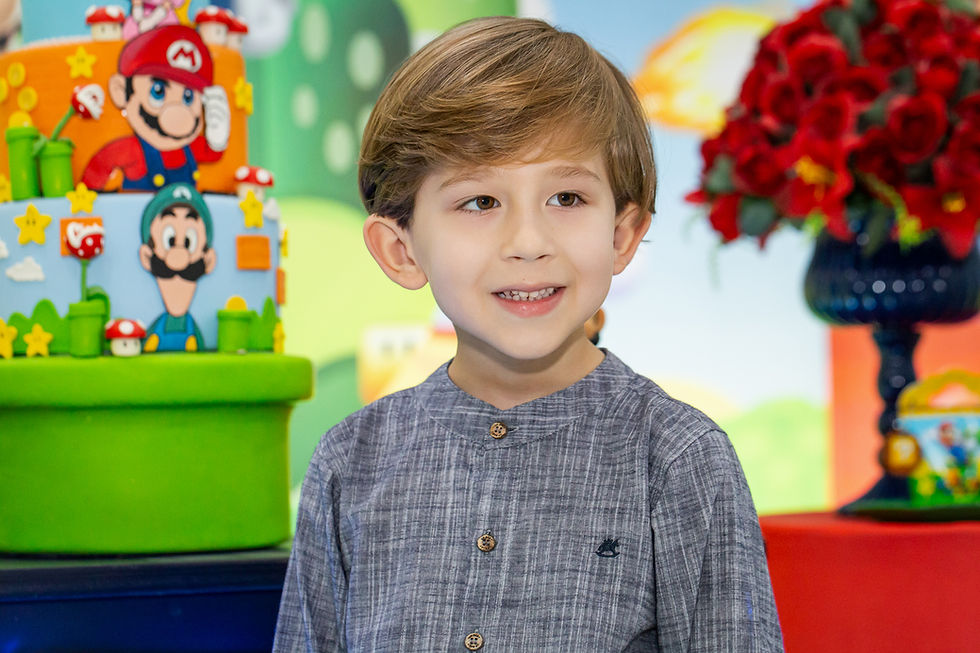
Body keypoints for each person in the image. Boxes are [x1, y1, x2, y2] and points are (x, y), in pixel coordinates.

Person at [274, 16, 783, 652]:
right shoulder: (350, 463)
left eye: (566, 198)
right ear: (401, 250)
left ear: (622, 235)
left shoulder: (679, 458)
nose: (528, 243)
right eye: (480, 202)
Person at [81, 24, 229, 192]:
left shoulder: (190, 148)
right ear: (120, 91)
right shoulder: (133, 150)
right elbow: (101, 164)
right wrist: (94, 198)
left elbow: (212, 154)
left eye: (188, 97)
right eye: (158, 92)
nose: (177, 112)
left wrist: (218, 134)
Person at [138, 182, 216, 352]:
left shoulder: (195, 332)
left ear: (208, 260)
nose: (179, 259)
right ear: (146, 256)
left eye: (189, 242)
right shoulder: (152, 332)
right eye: (170, 240)